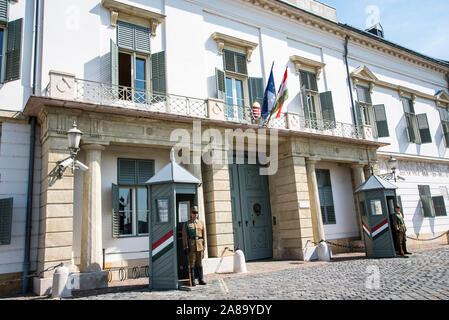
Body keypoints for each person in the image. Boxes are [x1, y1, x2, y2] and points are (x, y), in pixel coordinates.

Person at [182, 206, 207, 286]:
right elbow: (184, 236)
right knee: (191, 263)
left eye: (196, 213)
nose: (195, 214)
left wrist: (204, 245)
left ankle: (201, 279)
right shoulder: (187, 224)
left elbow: (204, 235)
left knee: (199, 263)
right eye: (194, 213)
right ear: (190, 214)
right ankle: (192, 281)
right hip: (191, 246)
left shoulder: (201, 223)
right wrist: (185, 247)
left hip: (200, 246)